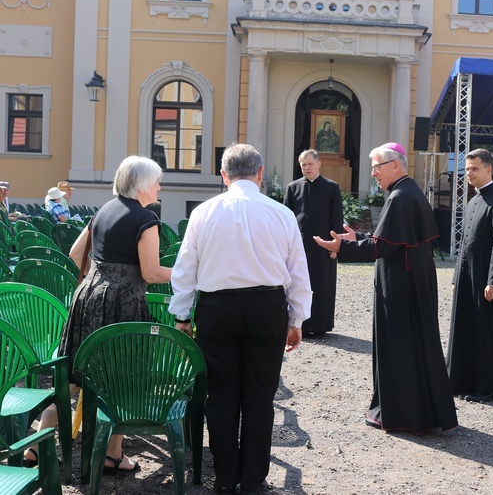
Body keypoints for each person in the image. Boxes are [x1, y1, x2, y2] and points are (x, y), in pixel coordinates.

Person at [169, 143, 312, 493]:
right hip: (267, 309)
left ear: (224, 175)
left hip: (218, 309)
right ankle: (252, 479)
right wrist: (297, 318)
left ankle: (224, 476)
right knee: (260, 395)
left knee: (221, 394)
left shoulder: (204, 212)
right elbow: (298, 271)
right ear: (260, 174)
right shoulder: (281, 213)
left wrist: (182, 315)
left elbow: (185, 268)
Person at [25, 156, 171, 473]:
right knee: (123, 378)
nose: (160, 186)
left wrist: (99, 278)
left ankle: (35, 445)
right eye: (157, 181)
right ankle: (112, 455)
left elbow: (75, 254)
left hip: (87, 297)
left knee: (74, 377)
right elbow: (151, 272)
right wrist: (188, 272)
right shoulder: (146, 219)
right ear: (144, 185)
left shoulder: (102, 211)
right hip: (123, 305)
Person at [314, 142, 458, 433]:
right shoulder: (408, 192)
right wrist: (361, 237)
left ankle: (402, 415)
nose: (374, 174)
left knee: (400, 349)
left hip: (401, 287)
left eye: (377, 168)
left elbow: (384, 247)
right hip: (412, 282)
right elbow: (392, 239)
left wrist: (344, 247)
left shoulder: (400, 198)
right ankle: (422, 413)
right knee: (416, 348)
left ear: (395, 165)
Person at [446, 149, 493, 402]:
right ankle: (464, 380)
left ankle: (489, 385)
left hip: (488, 279)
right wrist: (457, 278)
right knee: (469, 329)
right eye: (467, 169)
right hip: (469, 276)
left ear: (488, 169)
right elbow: (464, 244)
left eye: (474, 169)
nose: (469, 173)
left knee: (486, 331)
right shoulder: (473, 200)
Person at [284, 149, 344, 337]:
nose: (307, 168)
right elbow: (286, 217)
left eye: (310, 164)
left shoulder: (331, 187)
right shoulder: (293, 187)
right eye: (303, 164)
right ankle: (299, 325)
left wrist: (336, 245)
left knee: (322, 284)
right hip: (298, 245)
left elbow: (337, 216)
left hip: (323, 246)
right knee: (298, 284)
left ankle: (319, 326)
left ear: (319, 164)